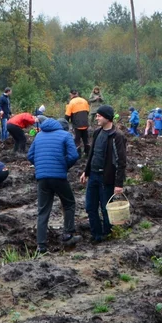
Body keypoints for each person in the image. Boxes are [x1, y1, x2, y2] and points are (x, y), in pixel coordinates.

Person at [28, 117, 81, 253]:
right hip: (58, 176)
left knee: (43, 211)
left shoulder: (39, 135)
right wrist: (64, 166)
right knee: (69, 203)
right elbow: (74, 155)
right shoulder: (65, 135)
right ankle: (68, 235)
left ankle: (41, 245)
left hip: (42, 178)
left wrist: (40, 166)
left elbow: (30, 155)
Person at [80, 106, 127, 243]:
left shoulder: (117, 136)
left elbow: (121, 161)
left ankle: (108, 233)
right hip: (93, 176)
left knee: (106, 208)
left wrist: (118, 184)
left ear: (107, 117)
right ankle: (97, 235)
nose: (97, 118)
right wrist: (86, 171)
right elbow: (92, 154)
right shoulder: (97, 132)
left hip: (106, 178)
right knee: (90, 207)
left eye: (99, 116)